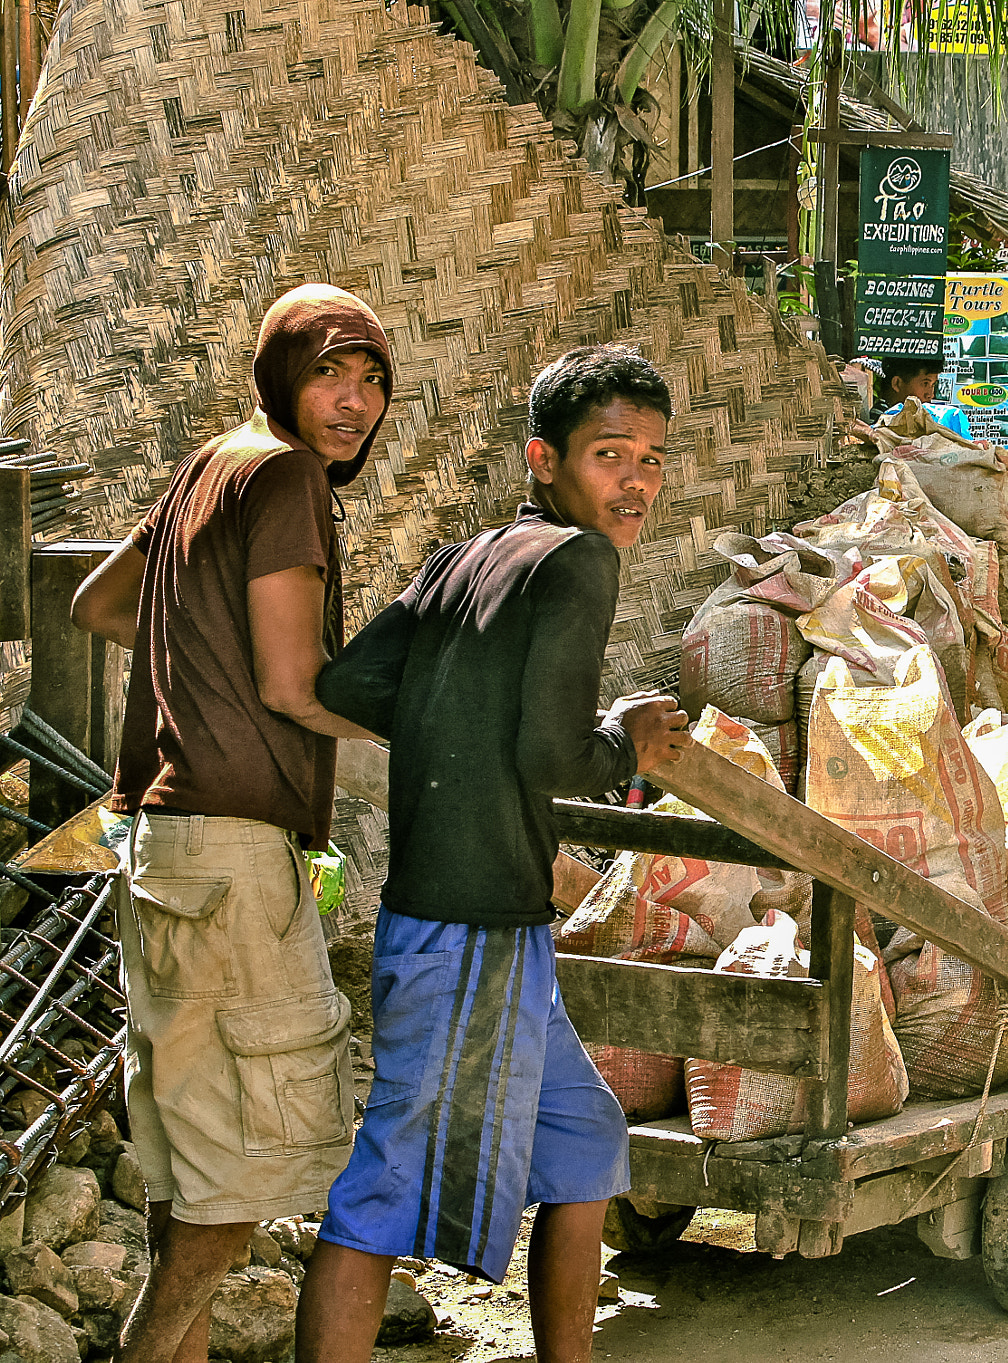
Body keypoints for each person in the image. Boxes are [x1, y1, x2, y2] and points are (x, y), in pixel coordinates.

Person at [295, 347, 692, 1362]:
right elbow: (555, 752)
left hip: (470, 919)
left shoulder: (465, 557)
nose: (636, 480)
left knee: (586, 1141)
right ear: (543, 458)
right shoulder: (576, 561)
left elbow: (349, 688)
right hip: (468, 930)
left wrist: (455, 734)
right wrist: (629, 735)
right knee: (384, 1189)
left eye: (652, 457)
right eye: (610, 455)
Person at [68, 283, 392, 1363]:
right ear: (281, 373)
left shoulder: (213, 463)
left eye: (372, 380)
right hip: (234, 859)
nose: (353, 402)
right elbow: (299, 686)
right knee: (253, 1158)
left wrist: (196, 676)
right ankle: (143, 1350)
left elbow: (102, 606)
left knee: (192, 1157)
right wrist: (435, 729)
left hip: (162, 855)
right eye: (329, 372)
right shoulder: (289, 476)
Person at [875, 355, 974, 440]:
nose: (930, 395)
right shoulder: (880, 416)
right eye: (925, 383)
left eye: (933, 385)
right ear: (897, 383)